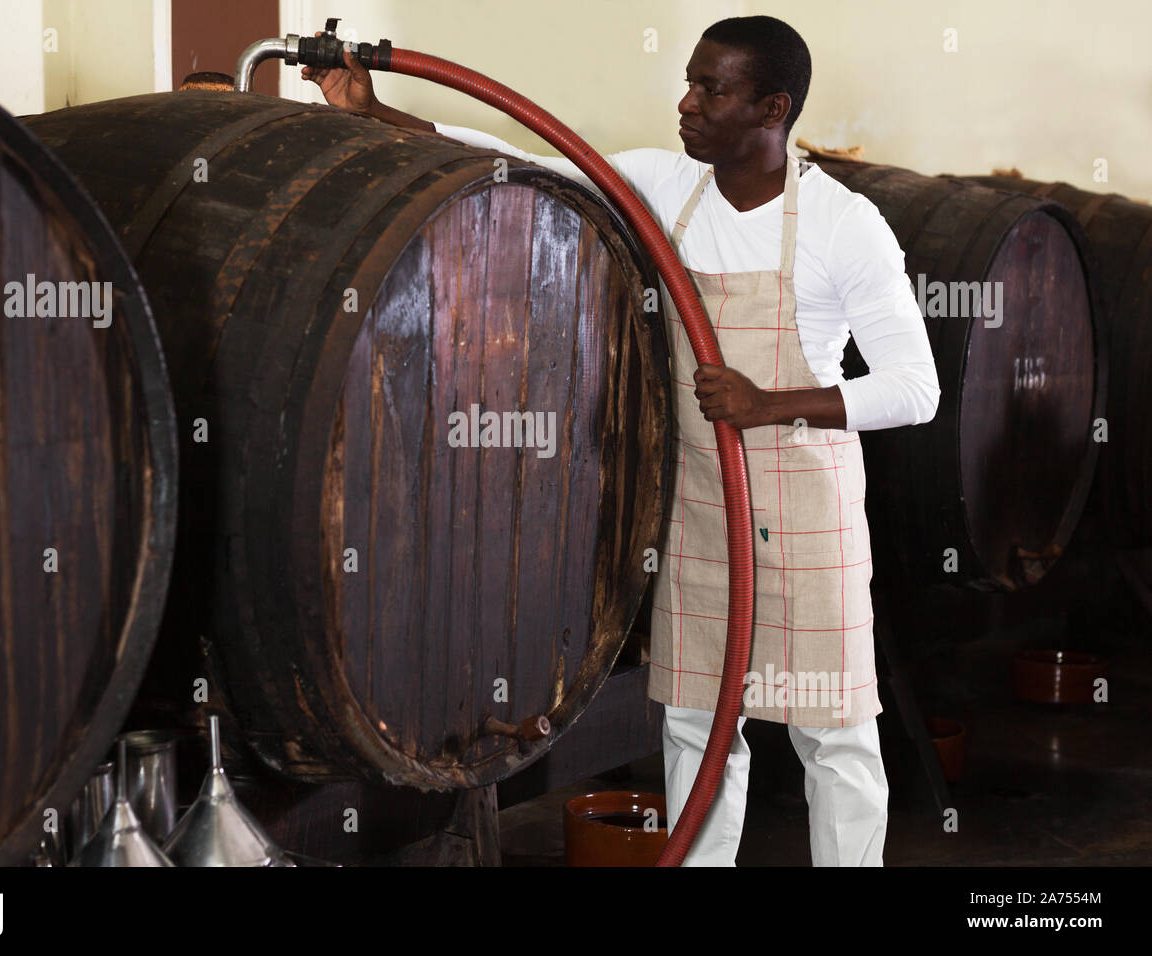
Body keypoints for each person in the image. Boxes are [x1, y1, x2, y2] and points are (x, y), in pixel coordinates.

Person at [304, 15, 940, 866]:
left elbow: (916, 390)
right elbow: (514, 159)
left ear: (772, 108)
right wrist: (373, 109)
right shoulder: (662, 184)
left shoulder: (841, 222)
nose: (686, 101)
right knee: (696, 726)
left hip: (802, 505)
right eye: (689, 79)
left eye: (712, 89)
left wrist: (768, 401)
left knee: (835, 734)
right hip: (703, 501)